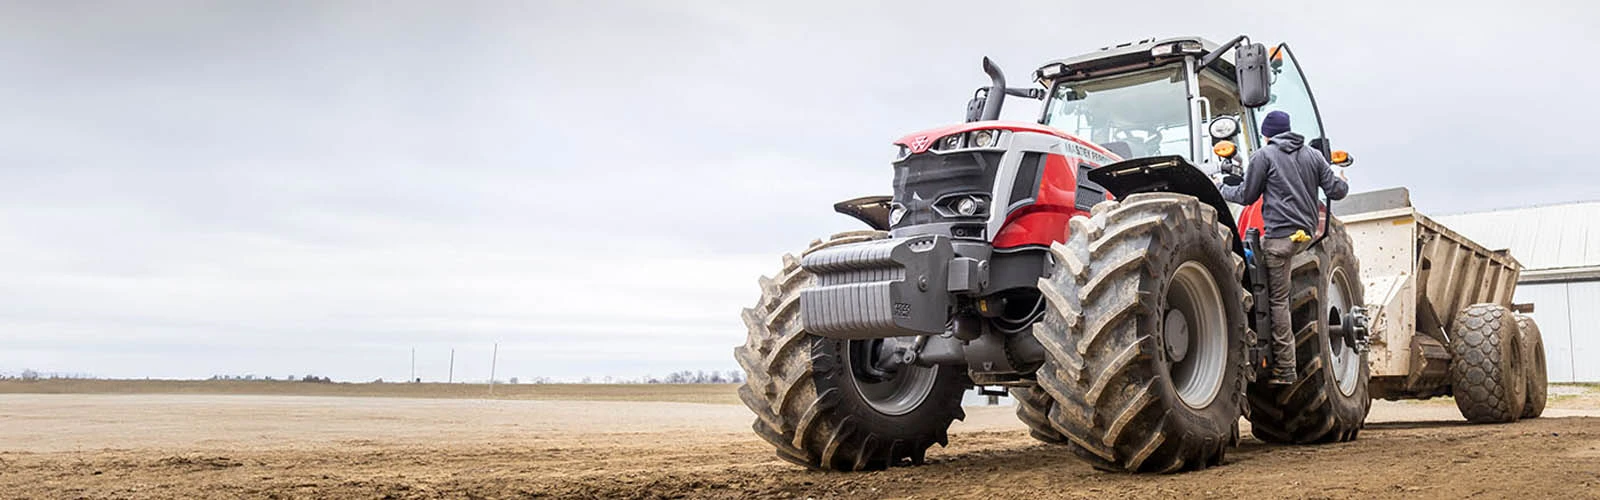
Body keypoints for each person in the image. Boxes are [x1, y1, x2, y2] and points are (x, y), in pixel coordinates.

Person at [1218, 110, 1349, 385]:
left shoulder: (1264, 156)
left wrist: (1221, 188)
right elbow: (1336, 190)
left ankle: (1285, 368)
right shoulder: (1313, 156)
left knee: (1275, 298)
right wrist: (1342, 178)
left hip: (1278, 240)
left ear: (1266, 135)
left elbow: (1246, 195)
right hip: (1306, 237)